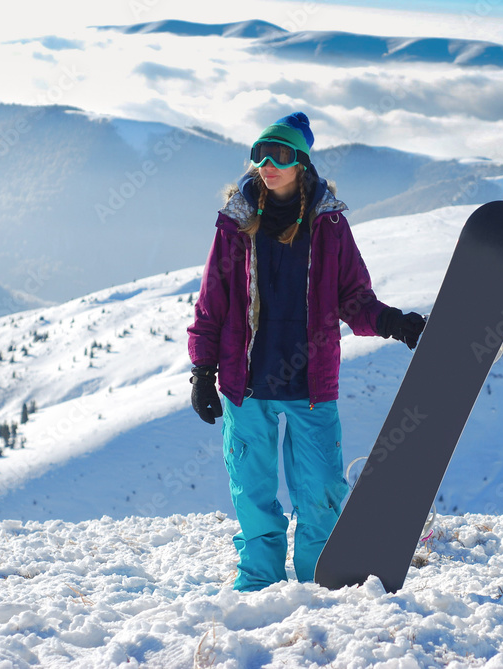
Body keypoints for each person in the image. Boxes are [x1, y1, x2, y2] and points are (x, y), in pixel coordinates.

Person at [186, 111, 425, 592]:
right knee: (252, 492)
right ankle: (258, 581)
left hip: (310, 383)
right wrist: (202, 371)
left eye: (281, 155)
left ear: (303, 163)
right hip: (245, 382)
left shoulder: (328, 224)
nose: (267, 164)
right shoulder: (236, 224)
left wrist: (394, 323)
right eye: (260, 154)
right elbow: (213, 297)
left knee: (320, 491)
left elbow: (353, 297)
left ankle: (321, 579)